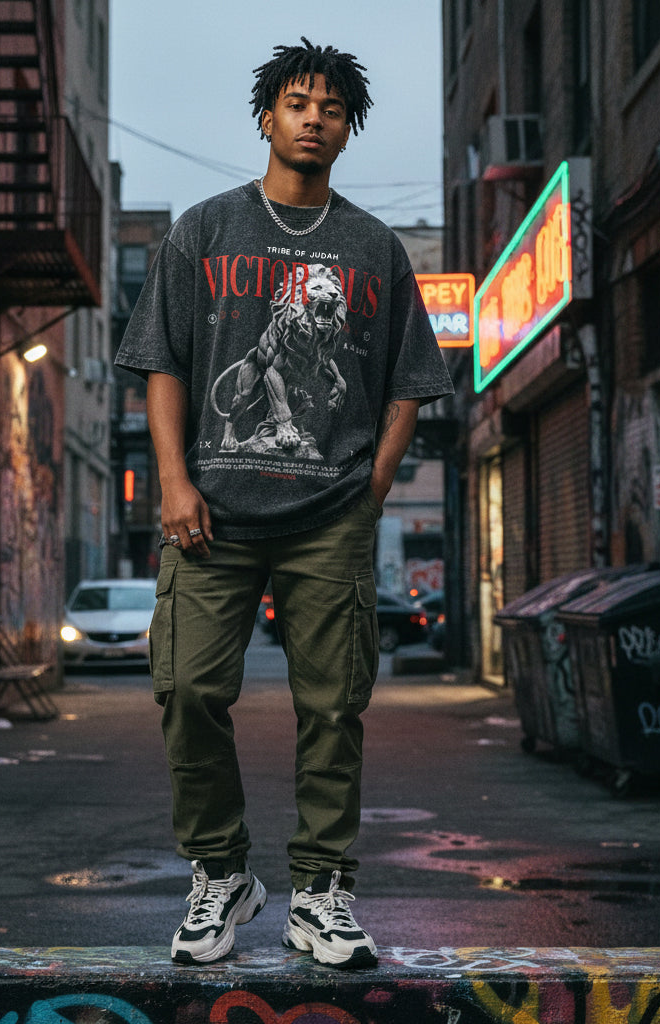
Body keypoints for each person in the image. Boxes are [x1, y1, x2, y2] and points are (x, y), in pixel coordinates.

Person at [114, 37, 453, 968]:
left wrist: (372, 489)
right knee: (188, 689)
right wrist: (173, 480)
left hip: (328, 516)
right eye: (298, 104)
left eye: (331, 109)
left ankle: (321, 891)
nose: (313, 119)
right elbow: (163, 363)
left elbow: (410, 383)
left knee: (333, 706)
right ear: (268, 117)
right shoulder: (205, 230)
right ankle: (222, 873)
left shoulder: (374, 248)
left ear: (348, 130)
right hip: (211, 514)